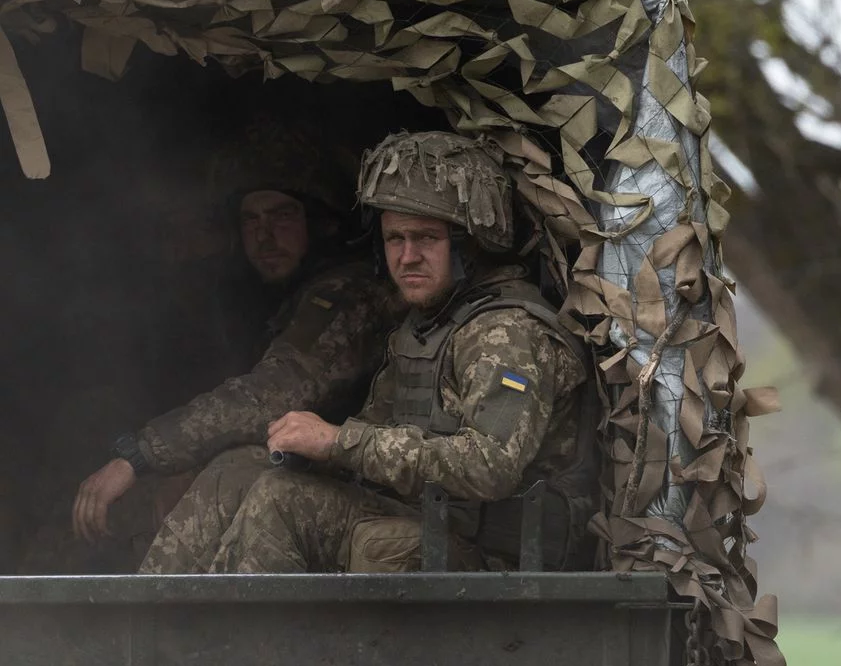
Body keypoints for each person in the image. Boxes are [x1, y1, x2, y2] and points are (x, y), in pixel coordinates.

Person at [149, 130, 598, 574]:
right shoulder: (425, 326)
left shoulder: (506, 331)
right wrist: (318, 453)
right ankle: (143, 631)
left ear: (469, 244)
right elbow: (376, 436)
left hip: (501, 559)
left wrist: (339, 441)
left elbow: (490, 465)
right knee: (237, 469)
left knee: (282, 502)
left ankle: (245, 646)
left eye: (426, 238)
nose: (407, 257)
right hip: (431, 524)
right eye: (394, 239)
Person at [71, 120, 399, 573]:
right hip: (310, 482)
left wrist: (140, 454)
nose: (264, 237)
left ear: (322, 224)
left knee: (225, 474)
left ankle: (151, 637)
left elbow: (273, 394)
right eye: (251, 220)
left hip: (357, 493)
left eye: (282, 216)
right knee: (100, 516)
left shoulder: (346, 293)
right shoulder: (269, 300)